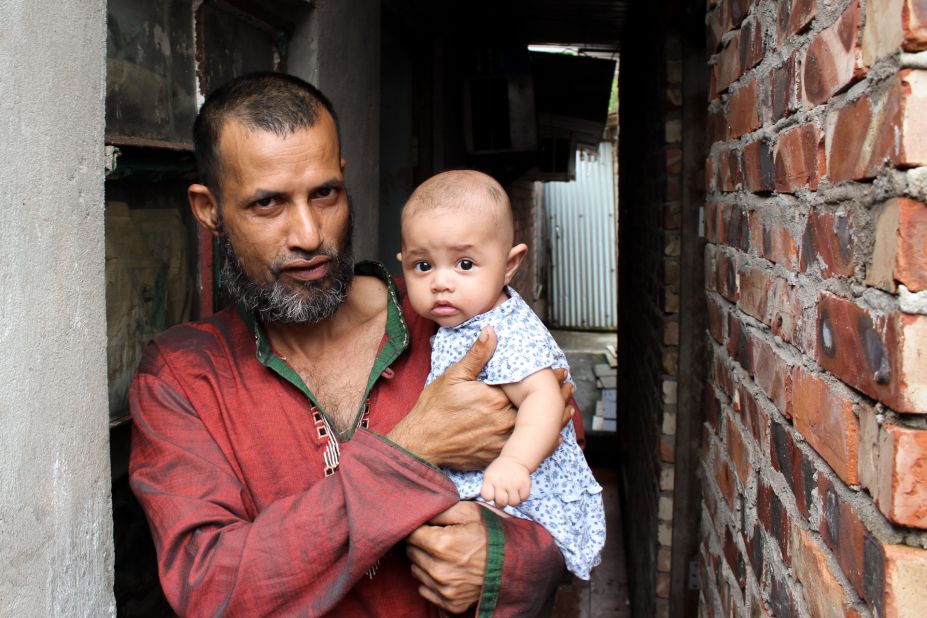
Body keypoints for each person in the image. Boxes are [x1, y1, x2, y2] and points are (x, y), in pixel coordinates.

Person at [128, 72, 570, 617]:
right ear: (209, 209)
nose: (310, 235)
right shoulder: (182, 375)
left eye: (324, 193)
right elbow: (212, 587)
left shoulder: (466, 325)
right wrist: (410, 450)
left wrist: (504, 561)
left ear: (343, 179)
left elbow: (563, 504)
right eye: (268, 204)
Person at [397, 171, 606, 580]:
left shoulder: (504, 330)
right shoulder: (464, 321)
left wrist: (514, 462)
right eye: (423, 265)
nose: (441, 282)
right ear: (402, 265)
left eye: (464, 264)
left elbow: (544, 398)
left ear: (509, 265)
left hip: (522, 486)